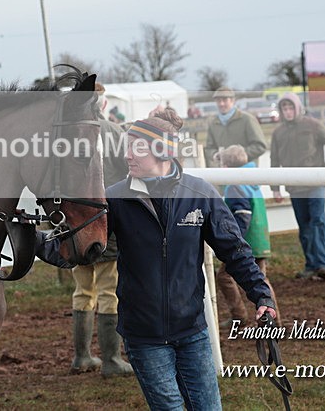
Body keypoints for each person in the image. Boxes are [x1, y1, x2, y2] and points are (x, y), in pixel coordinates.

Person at [107, 108, 276, 409]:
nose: (128, 156)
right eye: (127, 147)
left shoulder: (200, 193)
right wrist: (33, 241)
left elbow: (235, 251)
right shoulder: (114, 198)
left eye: (137, 148)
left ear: (162, 152)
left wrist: (262, 295)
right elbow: (78, 248)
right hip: (144, 336)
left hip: (193, 332)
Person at [69, 83, 133, 378]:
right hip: (104, 221)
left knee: (82, 292)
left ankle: (82, 356)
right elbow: (128, 172)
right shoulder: (112, 132)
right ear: (102, 104)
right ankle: (111, 359)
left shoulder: (64, 135)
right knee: (109, 291)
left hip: (74, 224)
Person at [269, 92, 325, 279]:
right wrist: (275, 188)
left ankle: (323, 264)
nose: (288, 111)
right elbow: (274, 160)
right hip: (294, 187)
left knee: (318, 221)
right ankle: (310, 266)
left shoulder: (313, 125)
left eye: (290, 107)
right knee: (304, 226)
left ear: (298, 108)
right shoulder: (278, 133)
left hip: (315, 183)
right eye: (284, 108)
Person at [215, 145, 280, 327]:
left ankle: (239, 315)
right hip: (258, 238)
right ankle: (273, 320)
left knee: (224, 277)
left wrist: (234, 242)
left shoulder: (235, 185)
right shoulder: (251, 181)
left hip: (246, 240)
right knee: (261, 279)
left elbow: (242, 216)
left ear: (226, 166)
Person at [204, 86, 267, 167]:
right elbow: (209, 148)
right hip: (224, 172)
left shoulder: (247, 119)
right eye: (218, 101)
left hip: (247, 171)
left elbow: (260, 146)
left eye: (225, 100)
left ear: (233, 101)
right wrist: (215, 155)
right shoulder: (213, 123)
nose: (221, 104)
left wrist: (238, 155)